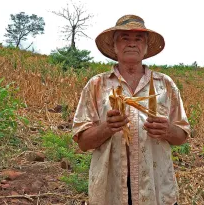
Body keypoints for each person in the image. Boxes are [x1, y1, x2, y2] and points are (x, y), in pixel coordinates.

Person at [72, 15, 191, 205]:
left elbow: (182, 135)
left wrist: (168, 130)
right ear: (114, 46)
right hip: (110, 191)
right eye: (124, 38)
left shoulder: (165, 85)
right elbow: (83, 143)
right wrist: (107, 128)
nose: (131, 44)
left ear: (145, 47)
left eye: (138, 39)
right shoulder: (97, 85)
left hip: (156, 188)